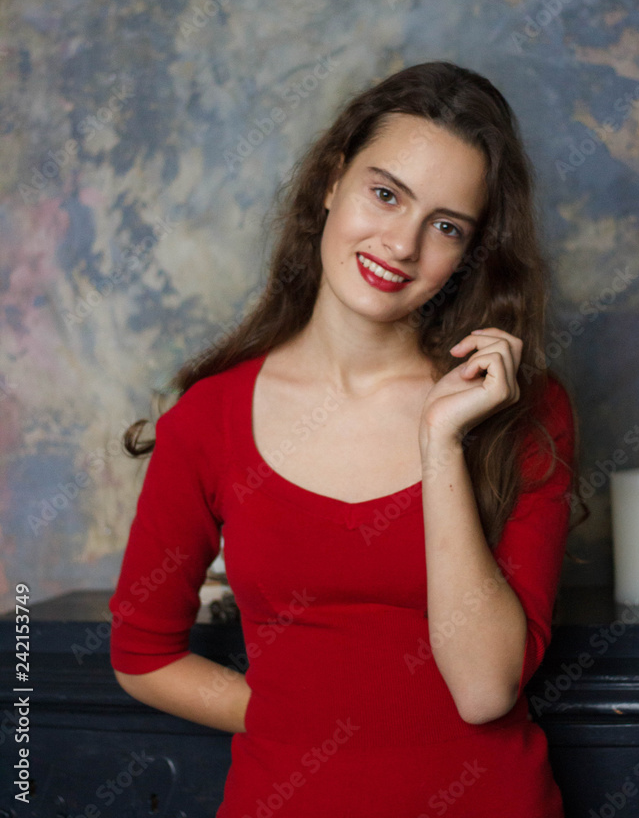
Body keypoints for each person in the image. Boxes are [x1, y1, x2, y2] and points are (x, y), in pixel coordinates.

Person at [108, 61, 589, 817]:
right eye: (385, 194)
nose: (400, 244)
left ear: (470, 252)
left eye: (446, 226)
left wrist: (440, 442)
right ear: (334, 179)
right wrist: (309, 723)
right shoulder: (210, 417)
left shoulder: (519, 408)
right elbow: (142, 657)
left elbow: (483, 690)